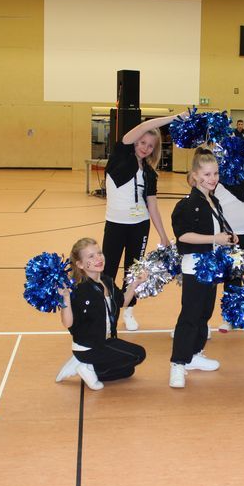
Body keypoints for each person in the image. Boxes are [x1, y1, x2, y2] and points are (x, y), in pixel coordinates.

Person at [102, 114, 180, 332]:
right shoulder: (119, 156)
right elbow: (145, 125)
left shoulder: (149, 173)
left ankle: (128, 310)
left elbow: (152, 205)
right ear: (135, 141)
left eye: (150, 145)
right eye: (142, 142)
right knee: (108, 270)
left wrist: (163, 234)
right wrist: (176, 117)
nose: (145, 148)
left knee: (134, 270)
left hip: (139, 226)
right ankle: (108, 311)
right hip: (115, 224)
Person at [169, 149, 237, 388]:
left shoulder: (214, 201)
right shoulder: (187, 204)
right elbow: (184, 236)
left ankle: (194, 354)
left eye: (215, 173)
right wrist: (214, 239)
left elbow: (216, 231)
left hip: (212, 266)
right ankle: (178, 364)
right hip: (195, 267)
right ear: (195, 175)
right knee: (190, 315)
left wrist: (228, 237)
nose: (212, 178)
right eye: (207, 174)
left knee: (204, 313)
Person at [56, 238, 147, 390]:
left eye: (99, 253)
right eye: (91, 256)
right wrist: (65, 298)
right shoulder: (79, 289)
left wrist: (135, 283)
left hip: (104, 342)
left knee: (128, 370)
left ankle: (83, 365)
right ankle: (86, 366)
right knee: (139, 354)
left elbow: (122, 302)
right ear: (80, 264)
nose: (98, 258)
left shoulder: (107, 281)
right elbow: (67, 323)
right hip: (89, 347)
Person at [212, 177, 244, 332]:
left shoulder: (237, 176)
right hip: (231, 236)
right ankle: (231, 317)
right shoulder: (212, 182)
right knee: (232, 277)